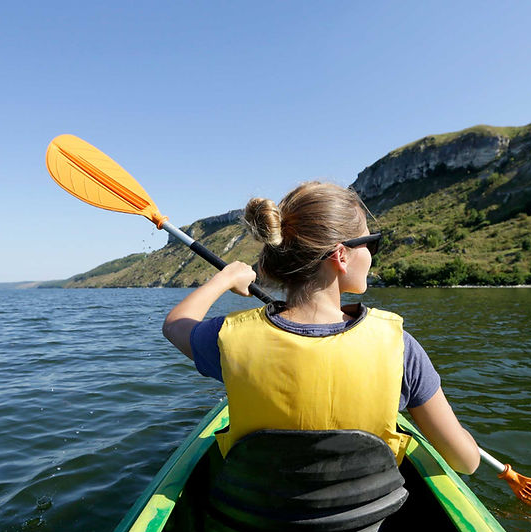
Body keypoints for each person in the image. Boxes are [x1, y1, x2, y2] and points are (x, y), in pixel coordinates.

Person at [162, 181, 480, 474]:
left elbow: (175, 325)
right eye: (372, 243)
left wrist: (226, 278)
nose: (372, 254)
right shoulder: (400, 348)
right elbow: (465, 462)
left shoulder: (229, 339)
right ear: (341, 256)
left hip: (258, 525)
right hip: (364, 529)